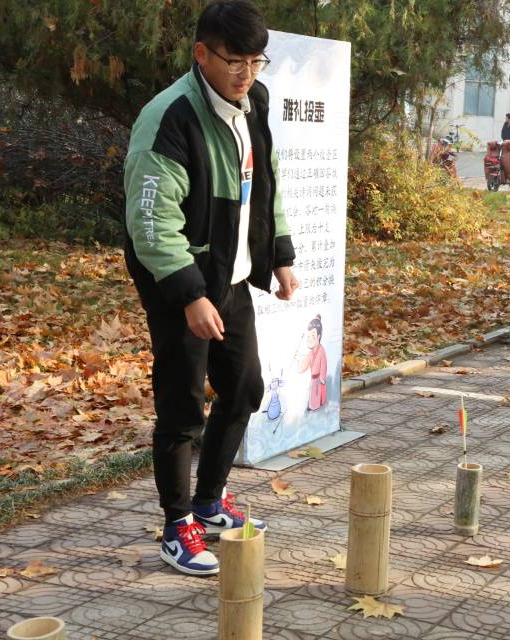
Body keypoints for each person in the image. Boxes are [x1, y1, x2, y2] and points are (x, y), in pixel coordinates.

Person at [123, 0, 299, 576]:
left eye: (256, 60)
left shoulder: (256, 101)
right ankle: (177, 526)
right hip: (180, 284)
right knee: (182, 407)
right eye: (234, 61)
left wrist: (280, 255)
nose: (246, 73)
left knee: (244, 388)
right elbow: (151, 222)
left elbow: (265, 182)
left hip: (231, 276)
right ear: (202, 53)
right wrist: (190, 295)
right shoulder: (170, 116)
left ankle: (208, 502)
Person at [296, 315, 328, 411]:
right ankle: (313, 404)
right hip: (313, 378)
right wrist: (299, 358)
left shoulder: (321, 350)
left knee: (317, 393)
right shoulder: (311, 353)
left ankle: (315, 405)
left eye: (313, 336)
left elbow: (324, 364)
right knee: (313, 393)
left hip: (318, 378)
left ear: (318, 336)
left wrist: (322, 377)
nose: (310, 339)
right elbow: (306, 360)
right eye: (308, 336)